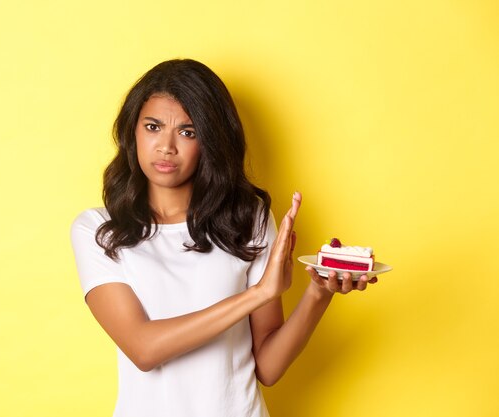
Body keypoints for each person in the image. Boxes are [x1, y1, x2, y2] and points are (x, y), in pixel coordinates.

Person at [70, 58, 377, 417]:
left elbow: (268, 367)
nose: (167, 146)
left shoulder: (247, 219)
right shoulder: (99, 230)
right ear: (132, 132)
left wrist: (318, 294)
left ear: (211, 141)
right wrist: (259, 294)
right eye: (153, 127)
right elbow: (144, 349)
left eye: (188, 132)